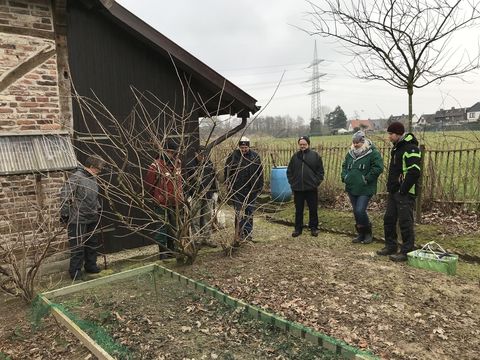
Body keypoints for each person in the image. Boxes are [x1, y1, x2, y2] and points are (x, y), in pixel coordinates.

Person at [377, 122, 421, 262]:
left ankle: (407, 251)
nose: (388, 136)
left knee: (405, 222)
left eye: (391, 134)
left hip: (405, 193)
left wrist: (403, 189)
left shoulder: (411, 149)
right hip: (394, 191)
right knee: (389, 219)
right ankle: (391, 246)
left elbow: (414, 172)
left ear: (398, 134)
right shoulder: (397, 149)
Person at [60, 155, 105, 280]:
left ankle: (91, 266)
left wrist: (98, 207)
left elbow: (94, 196)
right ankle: (75, 271)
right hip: (78, 217)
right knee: (78, 246)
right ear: (91, 167)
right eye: (98, 169)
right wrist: (64, 214)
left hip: (92, 215)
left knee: (92, 244)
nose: (99, 172)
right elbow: (65, 195)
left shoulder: (93, 178)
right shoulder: (76, 177)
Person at [341, 131, 384, 244]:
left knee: (360, 210)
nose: (355, 145)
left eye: (357, 143)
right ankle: (361, 233)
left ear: (363, 142)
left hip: (365, 188)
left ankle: (368, 233)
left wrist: (367, 178)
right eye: (354, 142)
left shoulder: (373, 153)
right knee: (356, 211)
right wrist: (345, 177)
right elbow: (344, 166)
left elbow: (378, 168)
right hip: (351, 186)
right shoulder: (350, 153)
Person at [145, 140, 183, 259]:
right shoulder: (155, 166)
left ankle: (172, 251)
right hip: (161, 203)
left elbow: (180, 181)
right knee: (161, 228)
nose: (171, 154)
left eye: (173, 152)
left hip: (175, 202)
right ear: (164, 151)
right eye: (169, 152)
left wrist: (180, 195)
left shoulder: (177, 163)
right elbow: (149, 185)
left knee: (173, 228)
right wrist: (157, 197)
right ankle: (163, 253)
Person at [224, 136, 264, 243]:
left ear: (249, 147)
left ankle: (248, 233)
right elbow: (227, 172)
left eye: (246, 147)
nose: (244, 149)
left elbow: (260, 172)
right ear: (239, 147)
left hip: (251, 189)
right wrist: (228, 185)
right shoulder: (233, 156)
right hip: (237, 190)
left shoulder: (255, 157)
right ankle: (239, 233)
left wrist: (260, 186)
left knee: (249, 212)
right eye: (242, 147)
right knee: (239, 212)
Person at [287, 136, 324, 237]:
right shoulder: (295, 157)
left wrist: (316, 182)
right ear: (298, 145)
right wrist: (292, 182)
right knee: (298, 210)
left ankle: (314, 228)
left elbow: (320, 172)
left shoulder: (315, 156)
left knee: (313, 209)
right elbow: (289, 171)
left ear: (308, 144)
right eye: (300, 144)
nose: (302, 146)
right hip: (298, 188)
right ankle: (298, 229)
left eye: (304, 144)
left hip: (311, 188)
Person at [185, 145, 218, 248]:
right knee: (195, 218)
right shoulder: (190, 165)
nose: (202, 157)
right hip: (196, 195)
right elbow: (186, 181)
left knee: (207, 217)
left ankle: (206, 238)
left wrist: (214, 192)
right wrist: (188, 195)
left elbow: (213, 178)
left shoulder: (209, 164)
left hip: (208, 195)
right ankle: (196, 240)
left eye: (204, 155)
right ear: (196, 154)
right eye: (200, 155)